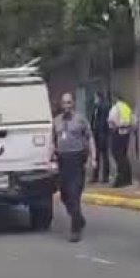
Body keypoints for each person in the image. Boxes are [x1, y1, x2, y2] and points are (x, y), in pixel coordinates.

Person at [52, 93, 96, 242]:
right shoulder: (56, 121)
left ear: (73, 104)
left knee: (74, 194)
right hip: (62, 161)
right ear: (61, 105)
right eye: (64, 103)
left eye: (69, 103)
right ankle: (79, 219)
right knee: (64, 195)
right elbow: (53, 141)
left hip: (77, 161)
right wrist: (48, 159)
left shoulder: (80, 120)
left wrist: (93, 158)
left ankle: (75, 229)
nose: (67, 106)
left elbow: (90, 138)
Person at [106, 92, 133, 188]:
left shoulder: (115, 108)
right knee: (123, 156)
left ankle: (121, 179)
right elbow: (132, 120)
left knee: (117, 155)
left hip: (117, 132)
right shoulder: (126, 107)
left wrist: (112, 128)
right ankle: (128, 178)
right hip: (126, 133)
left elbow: (111, 120)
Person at [90, 92, 111, 184]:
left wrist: (99, 132)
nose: (94, 100)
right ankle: (97, 176)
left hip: (101, 134)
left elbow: (102, 122)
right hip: (98, 134)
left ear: (98, 98)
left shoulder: (102, 107)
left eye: (95, 98)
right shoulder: (97, 107)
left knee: (102, 156)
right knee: (99, 155)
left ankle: (102, 176)